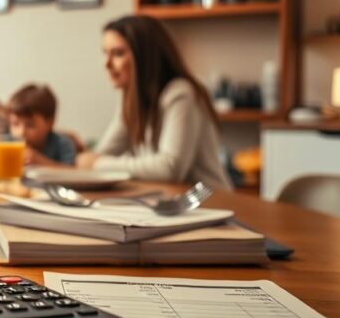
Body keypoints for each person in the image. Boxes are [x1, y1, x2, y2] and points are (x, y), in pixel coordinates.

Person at [76, 15, 232, 190]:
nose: (106, 64)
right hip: (171, 202)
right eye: (105, 53)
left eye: (118, 53)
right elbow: (102, 154)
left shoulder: (181, 93)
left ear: (144, 57)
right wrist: (86, 156)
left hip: (208, 201)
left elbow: (170, 168)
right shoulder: (132, 99)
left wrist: (98, 164)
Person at [7, 84, 76, 166]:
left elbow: (71, 172)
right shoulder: (6, 144)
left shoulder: (62, 144)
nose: (21, 132)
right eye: (15, 124)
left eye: (30, 125)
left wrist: (39, 160)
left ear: (50, 123)